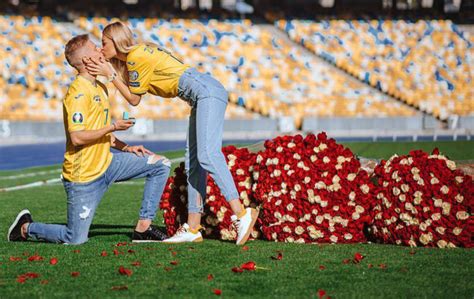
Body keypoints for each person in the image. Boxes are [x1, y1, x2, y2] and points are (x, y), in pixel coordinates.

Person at [84, 22, 258, 245]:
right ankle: (193, 228)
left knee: (207, 155)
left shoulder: (136, 56)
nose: (101, 46)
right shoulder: (135, 56)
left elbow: (134, 99)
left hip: (205, 92)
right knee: (194, 162)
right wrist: (107, 67)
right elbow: (131, 86)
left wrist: (109, 75)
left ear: (116, 41)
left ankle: (242, 214)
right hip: (200, 94)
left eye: (103, 42)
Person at [7, 34, 171, 245]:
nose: (100, 51)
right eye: (95, 48)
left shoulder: (100, 87)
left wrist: (126, 147)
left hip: (109, 163)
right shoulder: (77, 93)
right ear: (87, 61)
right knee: (75, 239)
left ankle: (143, 229)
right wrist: (113, 125)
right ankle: (25, 228)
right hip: (83, 177)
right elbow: (77, 137)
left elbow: (102, 133)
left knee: (160, 164)